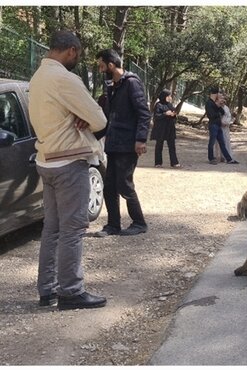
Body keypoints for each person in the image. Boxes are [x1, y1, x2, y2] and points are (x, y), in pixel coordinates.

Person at [29, 30, 108, 310]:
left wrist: (78, 115)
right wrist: (84, 116)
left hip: (46, 160)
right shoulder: (64, 78)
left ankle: (47, 289)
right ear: (72, 51)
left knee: (51, 229)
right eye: (79, 54)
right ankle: (71, 292)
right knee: (73, 229)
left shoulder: (38, 77)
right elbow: (98, 119)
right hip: (69, 161)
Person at [94, 48, 150, 237]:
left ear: (111, 65)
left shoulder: (132, 83)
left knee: (124, 184)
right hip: (114, 144)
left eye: (102, 65)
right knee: (109, 186)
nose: (100, 70)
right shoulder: (112, 87)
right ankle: (113, 225)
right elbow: (109, 118)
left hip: (128, 145)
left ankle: (139, 222)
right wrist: (92, 135)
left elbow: (143, 113)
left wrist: (140, 139)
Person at [205, 87, 237, 165]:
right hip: (213, 125)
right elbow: (211, 115)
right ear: (215, 94)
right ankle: (211, 158)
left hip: (218, 125)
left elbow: (222, 112)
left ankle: (229, 159)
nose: (219, 95)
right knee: (212, 142)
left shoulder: (215, 103)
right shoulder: (209, 103)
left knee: (222, 143)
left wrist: (219, 105)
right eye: (218, 94)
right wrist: (217, 112)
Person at [151, 90, 180, 168]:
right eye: (168, 96)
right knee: (159, 145)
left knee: (172, 146)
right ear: (164, 96)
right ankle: (158, 163)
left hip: (169, 128)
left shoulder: (169, 105)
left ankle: (174, 162)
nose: (170, 98)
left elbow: (174, 113)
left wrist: (173, 114)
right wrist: (165, 114)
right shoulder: (158, 105)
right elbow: (157, 116)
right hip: (161, 128)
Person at [214, 93, 236, 163]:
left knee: (226, 141)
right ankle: (219, 157)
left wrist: (226, 122)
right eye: (221, 99)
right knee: (218, 143)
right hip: (218, 126)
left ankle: (227, 156)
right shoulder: (216, 107)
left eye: (224, 99)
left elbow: (229, 116)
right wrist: (220, 122)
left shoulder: (226, 108)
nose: (223, 100)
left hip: (225, 127)